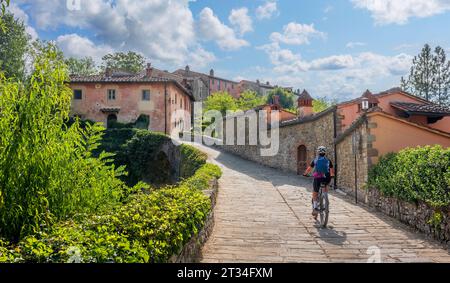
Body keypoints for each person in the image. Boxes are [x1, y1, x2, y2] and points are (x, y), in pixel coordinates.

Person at [303, 146, 335, 219]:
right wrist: (332, 176)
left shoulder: (315, 160)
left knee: (315, 191)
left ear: (318, 152)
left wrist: (305, 174)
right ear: (325, 153)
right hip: (326, 177)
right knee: (325, 186)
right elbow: (332, 171)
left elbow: (309, 169)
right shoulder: (328, 160)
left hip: (317, 177)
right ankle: (325, 196)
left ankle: (315, 207)